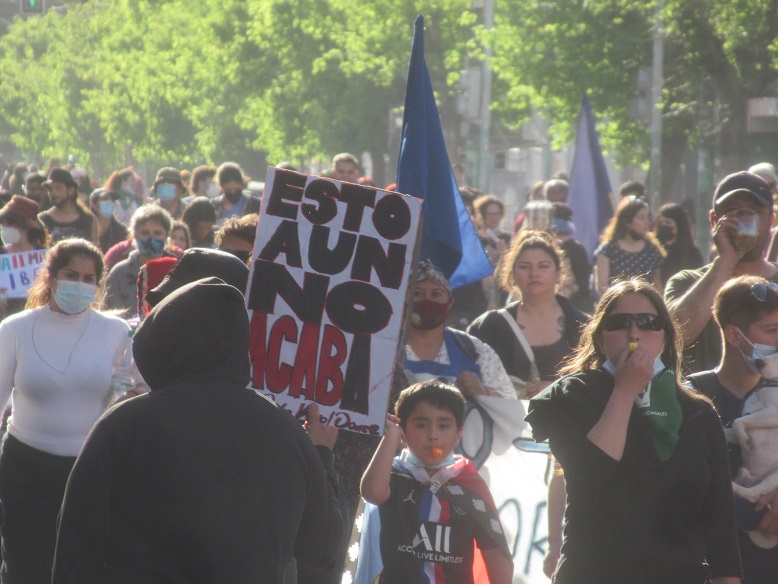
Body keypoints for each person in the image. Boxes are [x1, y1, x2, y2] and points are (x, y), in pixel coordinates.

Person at [52, 277, 347, 583]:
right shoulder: (285, 432)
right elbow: (322, 547)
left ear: (160, 342)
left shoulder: (123, 425)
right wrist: (321, 455)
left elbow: (76, 546)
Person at [525, 278, 742, 583]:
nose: (634, 333)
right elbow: (593, 469)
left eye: (649, 322)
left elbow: (720, 521)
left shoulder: (699, 413)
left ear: (666, 336)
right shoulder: (572, 395)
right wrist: (625, 390)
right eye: (620, 323)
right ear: (600, 338)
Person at [0, 239, 137, 583]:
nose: (80, 284)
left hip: (88, 470)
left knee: (79, 567)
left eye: (89, 278)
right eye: (71, 275)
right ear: (51, 277)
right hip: (25, 468)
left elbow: (137, 393)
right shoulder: (14, 329)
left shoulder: (117, 332)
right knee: (26, 566)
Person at [360, 380, 513, 583]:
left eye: (443, 426)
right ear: (403, 433)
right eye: (421, 425)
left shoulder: (471, 484)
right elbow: (372, 493)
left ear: (458, 435)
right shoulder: (393, 474)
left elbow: (496, 552)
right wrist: (391, 435)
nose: (433, 435)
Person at [686, 275, 778, 583]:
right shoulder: (694, 397)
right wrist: (756, 513)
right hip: (718, 567)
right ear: (734, 335)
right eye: (772, 331)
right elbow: (688, 488)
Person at [666, 171, 778, 373]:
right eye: (733, 211)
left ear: (770, 221)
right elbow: (676, 336)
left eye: (754, 212)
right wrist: (726, 260)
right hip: (704, 393)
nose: (744, 220)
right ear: (714, 220)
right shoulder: (688, 281)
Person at [468, 231, 589, 398]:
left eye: (543, 266)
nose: (534, 273)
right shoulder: (488, 327)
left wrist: (557, 390)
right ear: (513, 274)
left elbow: (598, 385)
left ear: (558, 273)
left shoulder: (584, 327)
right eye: (525, 267)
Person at [405, 260, 515, 400]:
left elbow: (511, 404)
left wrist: (482, 391)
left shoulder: (476, 351)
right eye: (417, 293)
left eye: (436, 294)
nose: (427, 301)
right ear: (405, 299)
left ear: (450, 303)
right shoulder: (388, 347)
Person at [103, 204, 175, 319]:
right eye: (145, 233)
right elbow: (109, 314)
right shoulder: (119, 272)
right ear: (135, 235)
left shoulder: (176, 271)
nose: (151, 238)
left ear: (167, 236)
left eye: (157, 233)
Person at [594, 195, 664, 294]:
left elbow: (658, 286)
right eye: (641, 218)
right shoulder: (608, 250)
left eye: (648, 217)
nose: (647, 222)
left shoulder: (652, 250)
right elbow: (602, 287)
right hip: (617, 300)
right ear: (627, 222)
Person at [0, 195, 48, 319]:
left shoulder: (45, 256)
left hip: (38, 317)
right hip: (6, 319)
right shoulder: (1, 255)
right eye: (2, 223)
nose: (4, 227)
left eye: (10, 223)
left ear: (26, 227)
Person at [38, 168, 99, 246]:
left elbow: (95, 250)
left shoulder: (88, 220)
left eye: (58, 188)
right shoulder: (42, 220)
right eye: (50, 189)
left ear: (71, 190)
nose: (53, 193)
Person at [551, 202, 593, 313]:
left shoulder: (576, 249)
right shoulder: (546, 246)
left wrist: (570, 290)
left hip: (575, 305)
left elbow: (584, 278)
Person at [654, 202, 704, 289]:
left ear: (679, 225)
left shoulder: (692, 254)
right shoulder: (654, 250)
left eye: (668, 222)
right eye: (660, 223)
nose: (664, 226)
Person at [89, 188, 129, 254]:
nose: (110, 202)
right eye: (105, 199)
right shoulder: (85, 227)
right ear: (93, 204)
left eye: (112, 200)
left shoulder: (121, 231)